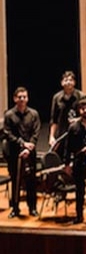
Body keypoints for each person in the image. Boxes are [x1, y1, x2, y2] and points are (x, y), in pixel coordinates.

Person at [3, 87, 40, 218]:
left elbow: (36, 133)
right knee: (16, 181)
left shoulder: (34, 114)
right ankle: (15, 208)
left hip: (30, 152)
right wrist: (22, 144)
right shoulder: (9, 115)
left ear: (27, 98)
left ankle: (33, 208)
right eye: (20, 97)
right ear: (15, 99)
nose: (22, 99)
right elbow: (7, 133)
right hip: (14, 152)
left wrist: (29, 147)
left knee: (31, 181)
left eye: (24, 97)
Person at [49, 71, 86, 157]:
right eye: (66, 80)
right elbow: (54, 119)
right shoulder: (56, 97)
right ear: (62, 83)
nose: (68, 82)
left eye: (71, 80)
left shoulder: (82, 96)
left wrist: (77, 120)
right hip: (62, 133)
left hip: (78, 133)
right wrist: (51, 136)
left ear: (74, 82)